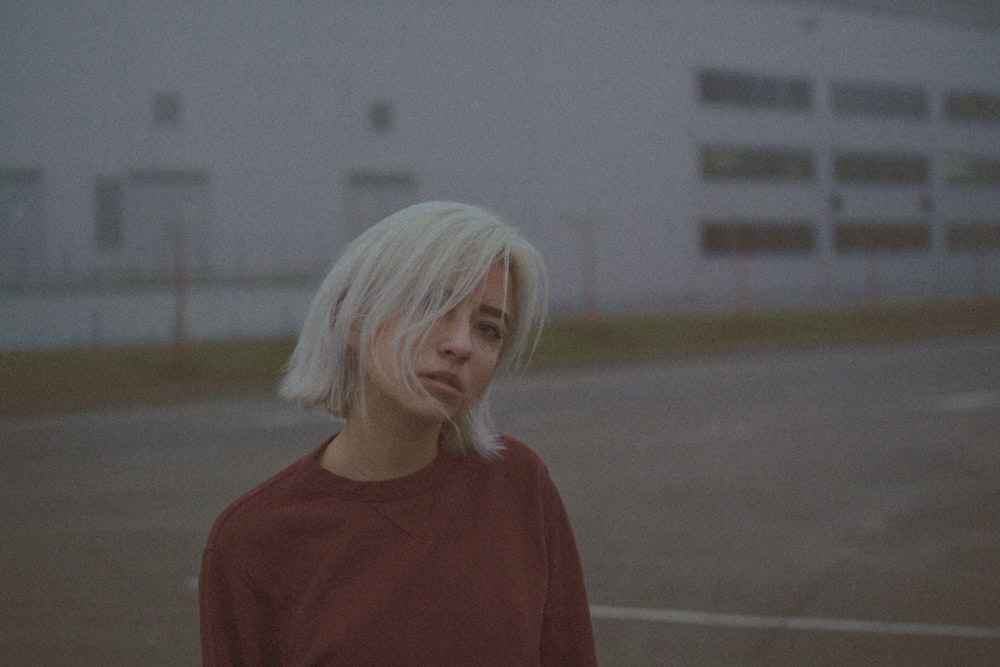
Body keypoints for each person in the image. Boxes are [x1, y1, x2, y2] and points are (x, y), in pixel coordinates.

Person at [199, 201, 597, 665]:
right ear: (352, 316)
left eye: (489, 328)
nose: (462, 344)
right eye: (433, 303)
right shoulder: (253, 539)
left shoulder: (519, 487)